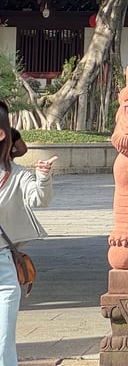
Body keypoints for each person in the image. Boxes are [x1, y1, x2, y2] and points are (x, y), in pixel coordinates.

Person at [0, 102, 53, 366]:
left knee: (3, 343)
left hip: (3, 269)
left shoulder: (18, 176)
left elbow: (39, 200)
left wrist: (43, 177)